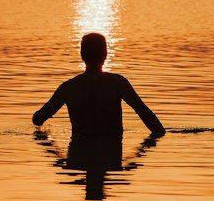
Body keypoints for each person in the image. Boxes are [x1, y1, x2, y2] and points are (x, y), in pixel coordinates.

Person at [32, 32, 165, 137]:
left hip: (79, 155)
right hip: (112, 154)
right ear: (106, 55)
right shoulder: (118, 83)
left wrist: (61, 162)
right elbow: (146, 115)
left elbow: (37, 120)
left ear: (82, 55)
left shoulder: (68, 88)